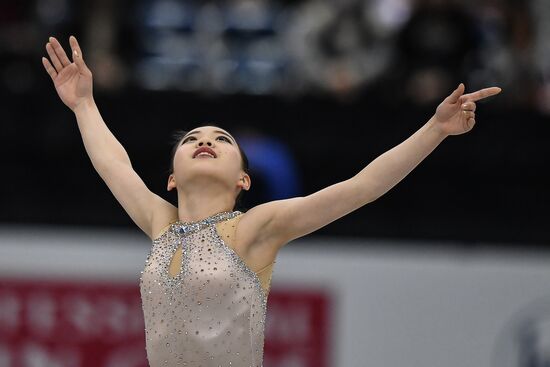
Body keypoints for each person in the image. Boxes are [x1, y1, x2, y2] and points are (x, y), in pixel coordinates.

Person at [42, 35, 501, 367]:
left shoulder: (254, 229)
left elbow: (360, 187)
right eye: (193, 139)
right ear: (170, 179)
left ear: (243, 178)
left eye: (222, 139)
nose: (206, 141)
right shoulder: (160, 224)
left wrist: (435, 130)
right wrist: (84, 104)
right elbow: (114, 165)